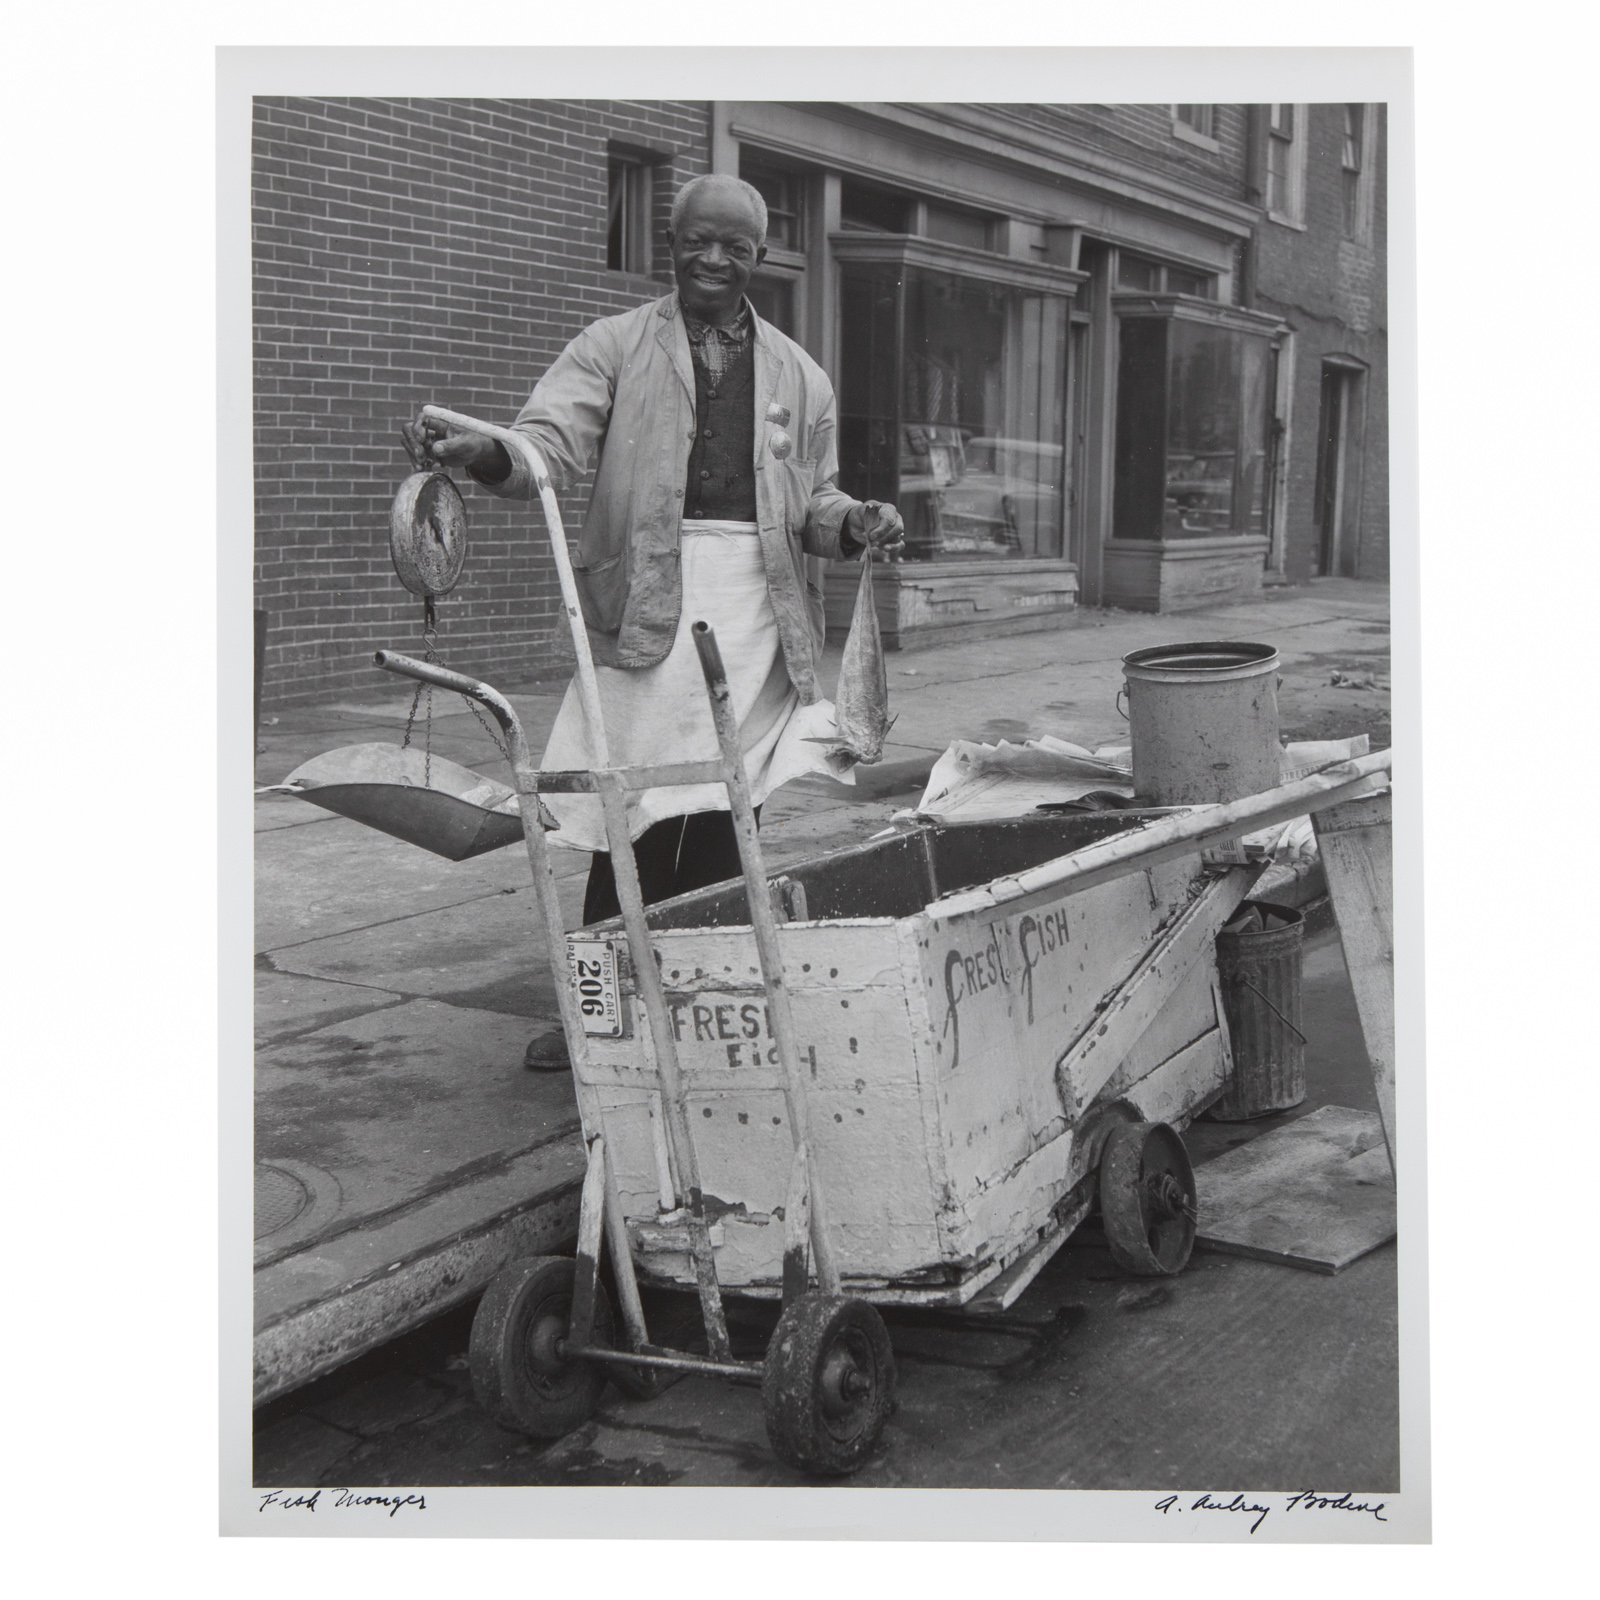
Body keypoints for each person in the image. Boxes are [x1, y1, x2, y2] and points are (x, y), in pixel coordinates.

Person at [403, 173, 903, 1069]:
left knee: (718, 810)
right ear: (669, 245)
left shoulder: (800, 372)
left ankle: (696, 1000)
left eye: (735, 246)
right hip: (644, 605)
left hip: (755, 607)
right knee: (621, 811)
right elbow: (544, 446)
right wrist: (488, 455)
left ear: (761, 256)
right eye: (696, 242)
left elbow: (813, 501)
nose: (713, 260)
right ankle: (601, 1015)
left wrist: (854, 519)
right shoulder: (613, 346)